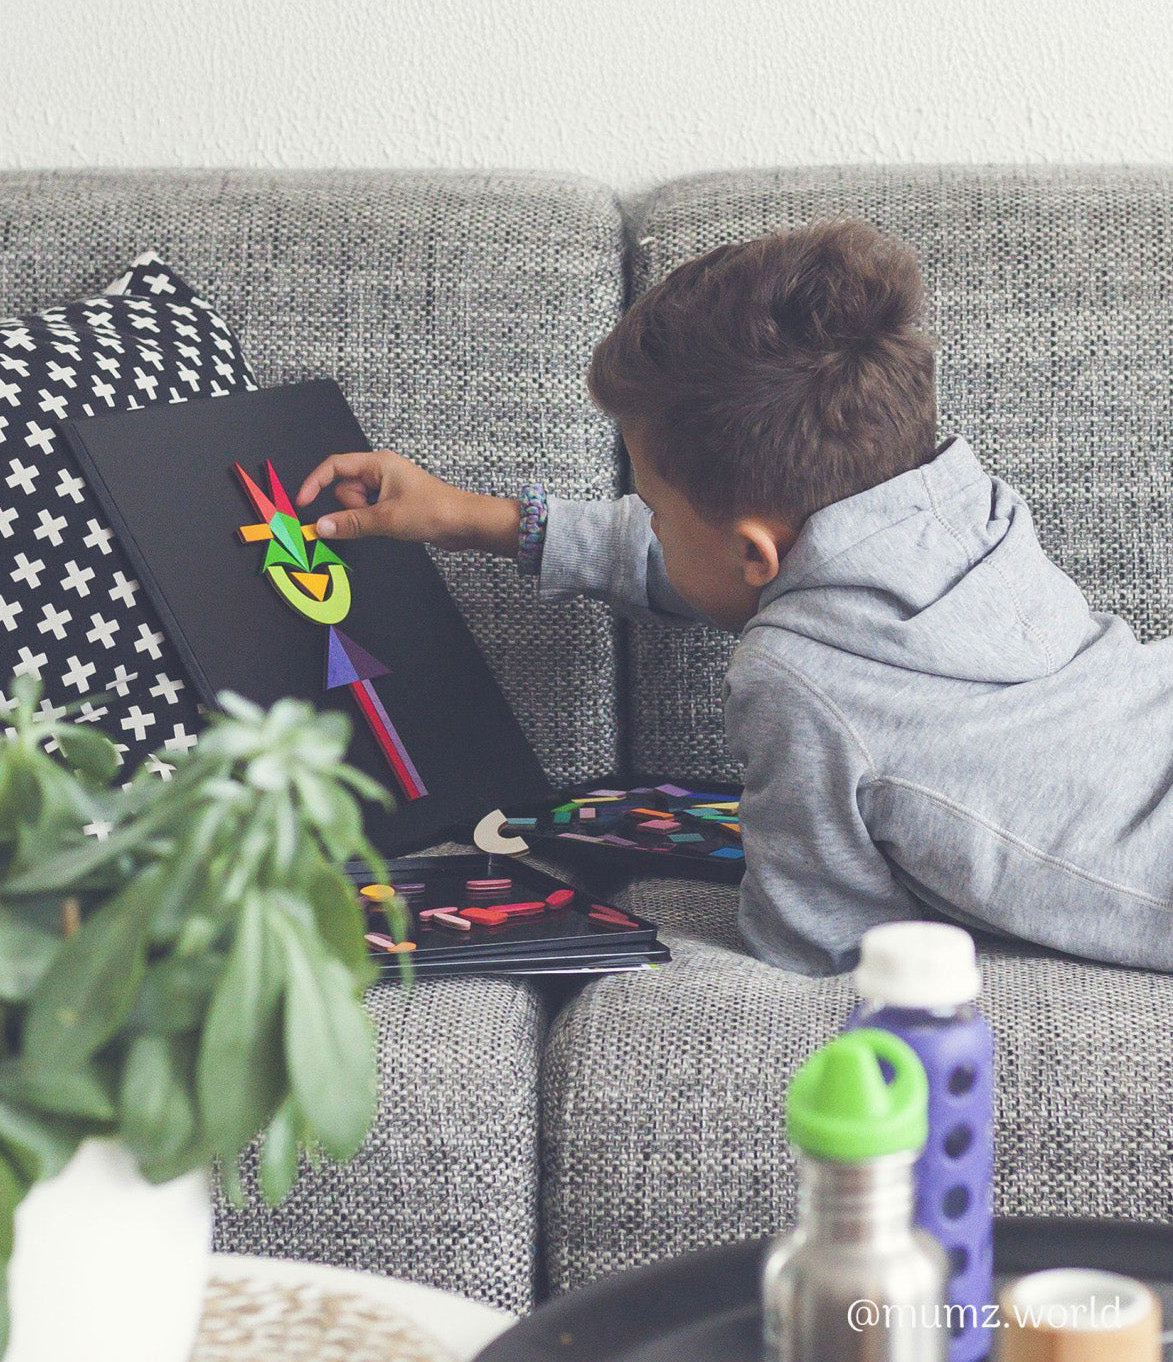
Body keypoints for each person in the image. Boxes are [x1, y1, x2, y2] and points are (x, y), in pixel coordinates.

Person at [297, 216, 1173, 977]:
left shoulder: (797, 680)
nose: (648, 522)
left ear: (756, 551)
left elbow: (817, 940)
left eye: (655, 508)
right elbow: (721, 558)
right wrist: (477, 521)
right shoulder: (958, 505)